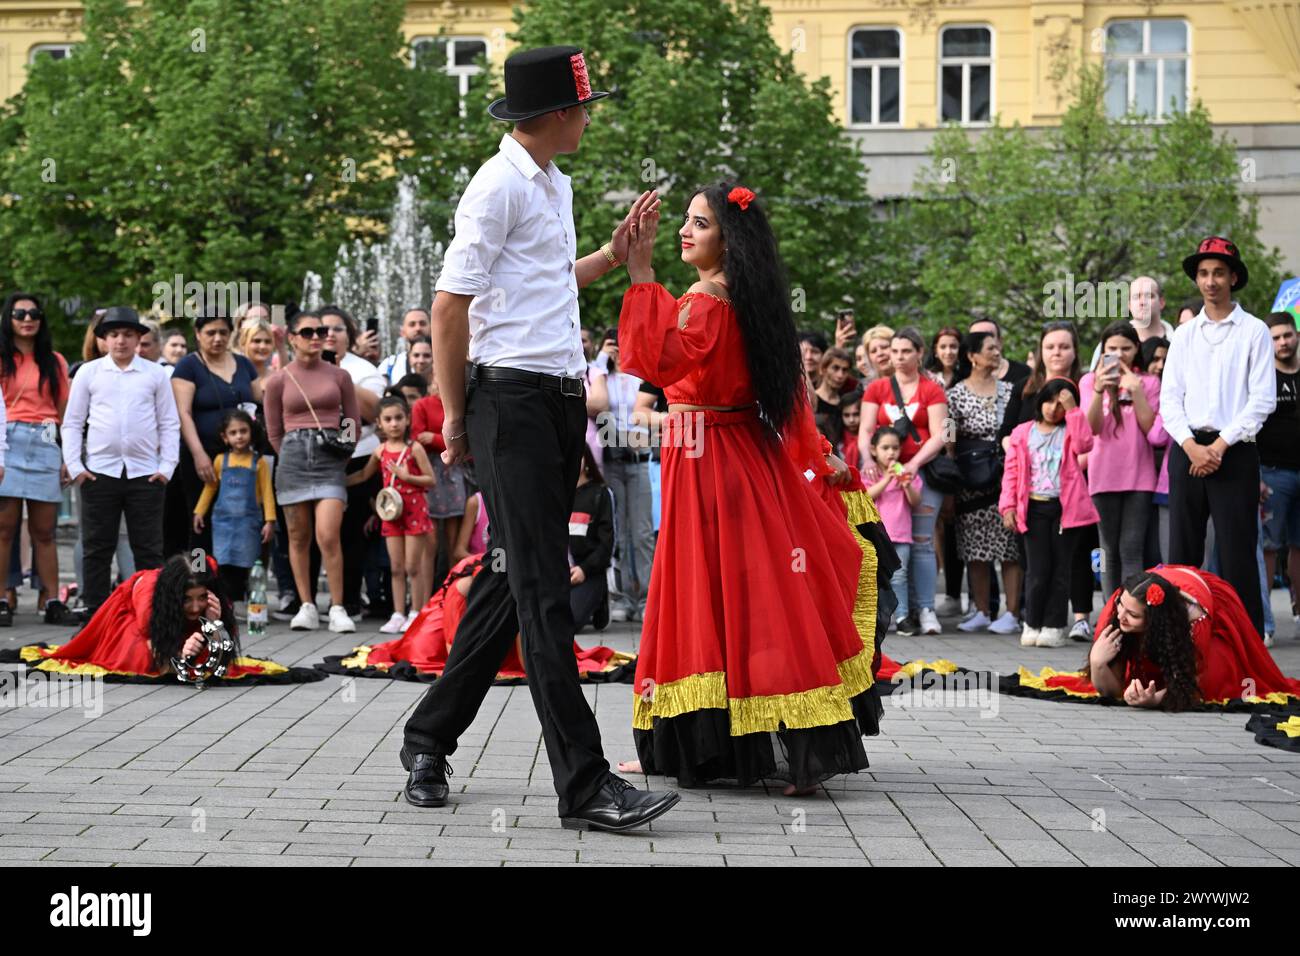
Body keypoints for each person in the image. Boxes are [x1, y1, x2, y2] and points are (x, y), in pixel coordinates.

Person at [400, 45, 678, 832]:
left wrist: (613, 255)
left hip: (556, 404)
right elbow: (450, 305)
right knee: (544, 593)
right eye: (585, 107)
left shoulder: (552, 183)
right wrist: (455, 415)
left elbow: (551, 280)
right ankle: (585, 784)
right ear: (555, 115)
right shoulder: (495, 186)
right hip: (510, 403)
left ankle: (428, 737)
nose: (590, 118)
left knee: (507, 578)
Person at [617, 181, 880, 795]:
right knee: (755, 599)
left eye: (699, 223)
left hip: (706, 460)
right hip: (736, 455)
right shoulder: (752, 302)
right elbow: (788, 398)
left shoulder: (705, 301)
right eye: (685, 220)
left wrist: (639, 272)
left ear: (727, 240)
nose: (686, 230)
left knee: (706, 597)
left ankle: (703, 748)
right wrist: (814, 456)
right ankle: (793, 748)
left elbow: (658, 365)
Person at [1161, 236, 1275, 635]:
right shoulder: (1184, 336)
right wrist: (1192, 446)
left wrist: (1220, 446)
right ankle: (1178, 641)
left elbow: (1262, 400)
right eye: (1204, 273)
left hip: (1235, 452)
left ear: (1233, 277)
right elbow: (1169, 399)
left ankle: (1244, 643)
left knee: (1237, 551)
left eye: (1219, 273)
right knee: (1182, 553)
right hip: (1187, 450)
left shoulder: (1255, 331)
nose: (1211, 281)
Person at [3, 554, 315, 683]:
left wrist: (213, 627)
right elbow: (165, 663)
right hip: (129, 613)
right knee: (137, 658)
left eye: (200, 598)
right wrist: (179, 654)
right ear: (173, 598)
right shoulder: (151, 599)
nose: (194, 607)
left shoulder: (212, 597)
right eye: (187, 601)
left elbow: (220, 665)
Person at [61, 307, 179, 616]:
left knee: (149, 549)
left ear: (139, 339)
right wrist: (76, 467)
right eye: (114, 335)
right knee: (97, 547)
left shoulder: (154, 374)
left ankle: (152, 613)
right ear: (104, 339)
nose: (121, 341)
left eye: (128, 335)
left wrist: (166, 467)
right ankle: (94, 613)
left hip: (145, 474)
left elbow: (169, 422)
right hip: (99, 472)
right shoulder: (89, 372)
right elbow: (72, 422)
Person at [262, 309, 361, 634]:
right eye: (307, 332)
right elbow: (273, 430)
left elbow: (352, 421)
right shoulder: (278, 379)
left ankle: (337, 606)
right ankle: (306, 605)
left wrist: (341, 454)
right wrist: (290, 455)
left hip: (329, 460)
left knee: (328, 535)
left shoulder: (339, 375)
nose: (316, 337)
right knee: (297, 536)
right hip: (292, 460)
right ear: (292, 338)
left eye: (320, 331)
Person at [1086, 566, 1300, 709]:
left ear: (1154, 620)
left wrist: (1154, 701)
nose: (1121, 616)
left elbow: (1187, 687)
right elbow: (1111, 692)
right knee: (1109, 632)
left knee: (1217, 674)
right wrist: (1097, 663)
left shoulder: (1194, 626)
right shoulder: (1123, 608)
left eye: (1132, 615)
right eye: (1120, 606)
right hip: (1157, 585)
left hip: (1199, 597)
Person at [860, 328, 948, 635]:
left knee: (922, 543)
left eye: (905, 351)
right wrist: (868, 459)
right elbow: (866, 429)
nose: (898, 357)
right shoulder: (878, 387)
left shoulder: (932, 389)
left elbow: (940, 434)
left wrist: (912, 463)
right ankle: (894, 611)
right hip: (884, 474)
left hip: (920, 472)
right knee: (885, 540)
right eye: (894, 351)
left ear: (919, 353)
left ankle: (926, 609)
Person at [0, 292, 80, 626]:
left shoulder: (55, 361)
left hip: (46, 438)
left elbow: (67, 413)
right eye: (20, 313)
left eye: (34, 313)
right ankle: (3, 597)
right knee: (3, 528)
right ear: (9, 318)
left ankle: (51, 600)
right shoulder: (2, 357)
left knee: (44, 530)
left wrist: (68, 455)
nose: (28, 319)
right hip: (8, 438)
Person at [1000, 379, 1097, 647]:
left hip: (1066, 510)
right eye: (1049, 401)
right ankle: (1032, 622)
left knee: (1061, 569)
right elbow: (1011, 472)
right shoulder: (1022, 433)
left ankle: (1054, 627)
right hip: (1033, 507)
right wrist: (1008, 506)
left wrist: (1074, 409)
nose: (1054, 408)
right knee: (1037, 570)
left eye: (1061, 403)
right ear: (1039, 401)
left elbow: (1085, 444)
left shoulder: (1070, 429)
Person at [169, 313, 262, 558]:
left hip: (239, 455)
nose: (217, 338)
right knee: (201, 519)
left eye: (223, 332)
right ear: (198, 335)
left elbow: (261, 400)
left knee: (239, 517)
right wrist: (198, 454)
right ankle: (200, 579)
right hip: (201, 455)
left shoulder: (244, 364)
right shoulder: (188, 366)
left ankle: (232, 586)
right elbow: (183, 413)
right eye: (210, 333)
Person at [1080, 321, 1162, 597]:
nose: (1119, 354)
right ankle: (1109, 614)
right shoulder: (1089, 381)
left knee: (1131, 548)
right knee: (1106, 550)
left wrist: (1137, 391)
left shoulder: (1149, 383)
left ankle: (1131, 615)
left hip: (1139, 476)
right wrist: (1099, 391)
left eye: (1126, 348)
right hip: (1102, 476)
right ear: (1102, 351)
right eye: (1112, 348)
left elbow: (1154, 432)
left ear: (1136, 348)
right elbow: (1089, 430)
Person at [948, 330, 1022, 634]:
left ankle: (1012, 612)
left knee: (1009, 546)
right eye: (990, 348)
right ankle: (981, 609)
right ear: (972, 356)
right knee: (974, 546)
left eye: (998, 347)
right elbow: (949, 440)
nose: (997, 352)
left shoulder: (1010, 390)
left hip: (1006, 475)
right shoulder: (954, 394)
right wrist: (952, 476)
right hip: (970, 478)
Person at [320, 305, 388, 620]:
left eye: (337, 328)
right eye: (322, 329)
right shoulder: (302, 367)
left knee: (353, 533)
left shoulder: (364, 370)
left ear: (350, 335)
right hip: (315, 460)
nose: (329, 334)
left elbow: (374, 412)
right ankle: (305, 601)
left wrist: (340, 376)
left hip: (358, 457)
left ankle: (350, 598)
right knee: (311, 534)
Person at [347, 395, 435, 633]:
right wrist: (339, 481)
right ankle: (397, 613)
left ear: (407, 420)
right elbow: (364, 475)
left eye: (398, 418)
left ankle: (415, 611)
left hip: (414, 510)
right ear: (379, 422)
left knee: (412, 566)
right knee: (395, 567)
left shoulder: (414, 448)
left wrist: (407, 477)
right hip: (391, 512)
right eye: (388, 419)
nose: (394, 423)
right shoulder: (380, 451)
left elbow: (431, 480)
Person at [599, 326, 655, 623]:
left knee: (643, 533)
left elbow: (646, 412)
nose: (619, 348)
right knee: (617, 530)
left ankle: (646, 597)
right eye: (613, 344)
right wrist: (600, 360)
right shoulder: (600, 377)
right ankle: (620, 595)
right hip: (611, 460)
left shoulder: (643, 375)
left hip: (638, 457)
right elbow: (598, 405)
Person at [192, 409, 276, 602]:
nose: (239, 436)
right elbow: (210, 488)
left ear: (251, 433)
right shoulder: (221, 460)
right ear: (225, 437)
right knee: (223, 561)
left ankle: (244, 598)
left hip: (248, 523)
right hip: (223, 523)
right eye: (233, 432)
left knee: (247, 562)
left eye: (243, 431)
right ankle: (227, 601)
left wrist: (269, 520)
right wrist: (199, 512)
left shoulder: (259, 462)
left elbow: (267, 492)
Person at [1258, 312, 1300, 639]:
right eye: (1276, 338)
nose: (1283, 342)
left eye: (1287, 335)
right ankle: (1265, 624)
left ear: (1296, 335)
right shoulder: (1262, 376)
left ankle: (1299, 612)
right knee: (1269, 546)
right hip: (1271, 473)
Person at [412, 382, 469, 595]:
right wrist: (447, 442)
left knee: (453, 539)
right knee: (431, 541)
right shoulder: (422, 404)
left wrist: (435, 438)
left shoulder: (458, 403)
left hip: (454, 470)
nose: (439, 384)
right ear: (428, 384)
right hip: (430, 469)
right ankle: (426, 598)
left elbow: (462, 437)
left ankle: (452, 594)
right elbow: (418, 437)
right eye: (435, 379)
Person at [865, 427, 920, 633]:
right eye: (885, 448)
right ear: (873, 450)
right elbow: (866, 497)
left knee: (900, 576)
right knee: (875, 576)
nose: (891, 453)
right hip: (877, 536)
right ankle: (876, 619)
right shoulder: (869, 474)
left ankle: (903, 616)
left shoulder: (905, 473)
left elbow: (916, 501)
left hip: (901, 535)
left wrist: (906, 484)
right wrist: (886, 479)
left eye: (895, 448)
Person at [1086, 276, 1177, 371]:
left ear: (1161, 302)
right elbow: (1094, 379)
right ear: (1129, 305)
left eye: (1149, 296)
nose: (1142, 302)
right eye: (1136, 297)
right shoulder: (1110, 342)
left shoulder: (1178, 339)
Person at [569, 444, 614, 632]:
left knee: (568, 622)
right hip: (558, 573)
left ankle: (601, 599)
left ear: (586, 460)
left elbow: (607, 544)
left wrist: (585, 569)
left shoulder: (601, 494)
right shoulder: (554, 493)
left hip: (588, 573)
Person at [813, 347, 856, 446]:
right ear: (823, 369)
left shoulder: (846, 403)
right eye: (835, 368)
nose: (840, 375)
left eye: (844, 370)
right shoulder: (811, 400)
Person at [377, 308, 432, 384]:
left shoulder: (445, 362)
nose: (418, 328)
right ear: (402, 332)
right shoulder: (389, 365)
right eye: (412, 324)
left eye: (422, 323)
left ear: (431, 329)